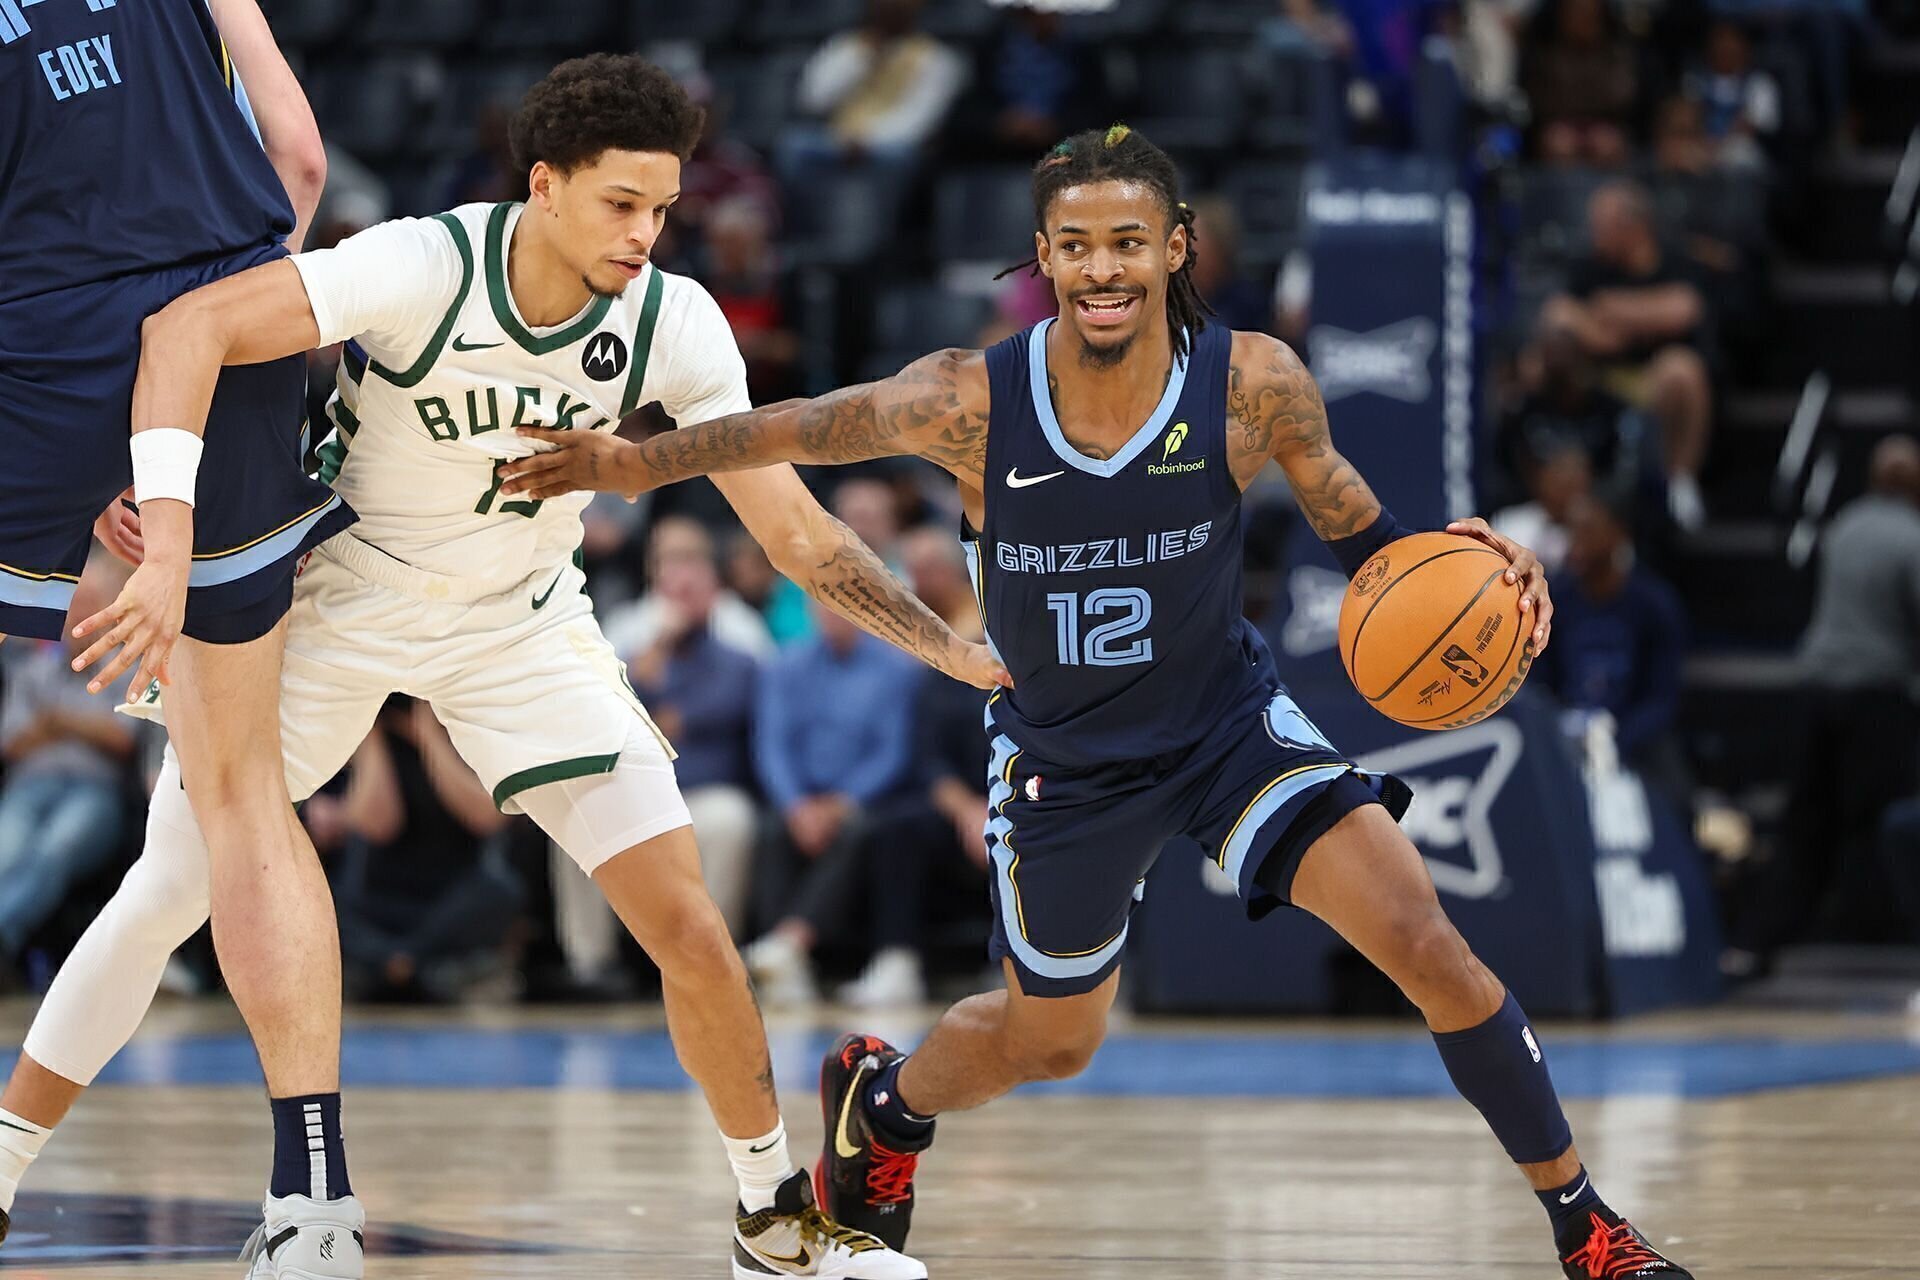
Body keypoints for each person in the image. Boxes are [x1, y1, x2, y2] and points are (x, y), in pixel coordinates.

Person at [500, 123, 1695, 1279]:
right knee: (1050, 1041)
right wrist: (627, 463)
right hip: (1066, 763)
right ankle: (890, 1100)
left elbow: (1360, 529)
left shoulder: (1252, 385)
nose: (1102, 269)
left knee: (1431, 944)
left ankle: (1586, 1228)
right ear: (1044, 258)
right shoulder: (968, 399)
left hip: (1228, 729)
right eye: (1075, 246)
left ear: (1177, 248)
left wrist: (1467, 566)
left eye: (1128, 242)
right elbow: (800, 427)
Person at [1, 55, 1003, 1280]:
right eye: (621, 204)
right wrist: (164, 517)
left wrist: (955, 652)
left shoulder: (671, 322)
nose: (647, 234)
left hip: (519, 618)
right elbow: (193, 322)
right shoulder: (425, 263)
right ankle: (1, 1166)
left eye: (664, 209)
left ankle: (772, 1219)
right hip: (341, 595)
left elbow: (796, 532)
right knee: (166, 893)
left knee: (689, 918)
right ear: (545, 186)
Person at [0, 0, 361, 1260]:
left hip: (37, 344)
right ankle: (313, 1206)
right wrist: (214, 347)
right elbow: (300, 158)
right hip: (231, 331)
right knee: (242, 794)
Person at [1726, 436, 1920, 975]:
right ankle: (1877, 947)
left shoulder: (1842, 528)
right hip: (1876, 695)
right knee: (1884, 823)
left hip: (1814, 688)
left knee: (1806, 822)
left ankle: (1756, 942)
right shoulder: (1911, 537)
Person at [741, 603, 923, 1004]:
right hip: (800, 798)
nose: (834, 616)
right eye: (824, 605)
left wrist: (843, 802)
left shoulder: (897, 670)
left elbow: (893, 751)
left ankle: (788, 944)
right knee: (771, 831)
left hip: (863, 799)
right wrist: (795, 806)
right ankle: (785, 969)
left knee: (859, 831)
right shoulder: (784, 666)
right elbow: (772, 746)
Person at [1538, 183, 1715, 531]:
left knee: (1682, 369)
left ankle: (1679, 480)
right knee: (1539, 361)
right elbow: (1558, 313)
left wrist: (1612, 310)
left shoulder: (1674, 260)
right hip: (1599, 381)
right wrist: (1630, 327)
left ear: (1633, 226)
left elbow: (1684, 308)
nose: (1594, 234)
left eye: (1602, 225)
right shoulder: (1590, 267)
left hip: (1653, 380)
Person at [622, 518, 764, 937]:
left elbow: (715, 710)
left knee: (728, 819)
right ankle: (591, 963)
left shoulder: (739, 655)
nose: (681, 603)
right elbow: (626, 715)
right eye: (673, 594)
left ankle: (714, 944)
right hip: (647, 792)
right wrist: (655, 655)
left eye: (691, 592)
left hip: (708, 790)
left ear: (713, 593)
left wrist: (674, 714)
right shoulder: (638, 652)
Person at [328, 698, 523, 1003]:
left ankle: (396, 963)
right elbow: (378, 824)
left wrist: (429, 736)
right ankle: (409, 966)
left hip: (449, 897)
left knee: (501, 890)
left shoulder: (463, 736)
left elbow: (485, 818)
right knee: (325, 899)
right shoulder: (372, 739)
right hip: (381, 898)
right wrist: (369, 736)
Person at [0, 565, 141, 972]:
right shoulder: (33, 668)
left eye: (89, 606)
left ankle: (3, 935)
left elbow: (122, 738)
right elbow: (12, 742)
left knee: (56, 847)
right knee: (7, 850)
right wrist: (85, 727)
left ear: (108, 612)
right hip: (31, 782)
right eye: (71, 608)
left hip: (94, 790)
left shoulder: (123, 662)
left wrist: (55, 723)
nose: (77, 619)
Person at [1534, 495, 1691, 806]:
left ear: (1619, 534)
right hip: (1565, 733)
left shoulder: (1655, 604)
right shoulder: (1554, 599)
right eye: (1572, 532)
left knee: (1676, 795)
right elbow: (1538, 683)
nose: (1577, 543)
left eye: (1588, 531)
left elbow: (1663, 697)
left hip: (1634, 735)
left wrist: (1615, 738)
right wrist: (1565, 728)